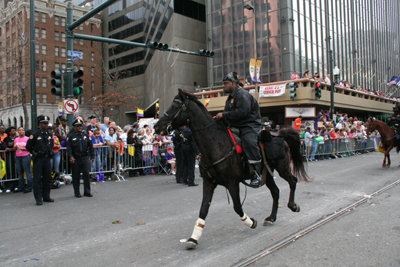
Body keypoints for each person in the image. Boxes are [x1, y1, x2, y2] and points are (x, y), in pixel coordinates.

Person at [213, 71, 262, 186]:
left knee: (249, 142)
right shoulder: (230, 98)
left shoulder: (242, 95)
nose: (223, 86)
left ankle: (256, 174)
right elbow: (229, 114)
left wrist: (224, 115)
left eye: (225, 83)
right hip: (236, 125)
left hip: (249, 125)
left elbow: (242, 112)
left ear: (233, 83)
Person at [26, 116, 55, 205]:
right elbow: (28, 146)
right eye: (44, 123)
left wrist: (50, 151)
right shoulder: (34, 135)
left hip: (47, 158)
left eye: (47, 123)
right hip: (38, 159)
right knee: (37, 179)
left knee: (47, 178)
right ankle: (38, 198)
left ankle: (46, 196)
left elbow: (51, 144)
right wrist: (33, 152)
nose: (46, 125)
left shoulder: (49, 134)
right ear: (40, 124)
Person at [67, 119, 94, 198]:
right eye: (78, 126)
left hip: (85, 157)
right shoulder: (71, 136)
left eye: (80, 126)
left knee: (86, 174)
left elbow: (91, 146)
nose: (80, 127)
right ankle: (77, 192)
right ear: (74, 127)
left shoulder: (85, 135)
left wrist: (92, 156)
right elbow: (69, 148)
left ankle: (87, 191)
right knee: (76, 176)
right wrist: (71, 156)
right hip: (76, 158)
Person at [14, 127, 33, 193]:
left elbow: (30, 148)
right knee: (20, 173)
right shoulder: (16, 139)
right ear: (18, 131)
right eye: (20, 130)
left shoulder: (27, 139)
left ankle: (29, 186)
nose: (21, 131)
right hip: (18, 156)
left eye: (22, 130)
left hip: (25, 156)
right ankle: (20, 187)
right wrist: (15, 146)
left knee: (28, 172)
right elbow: (14, 149)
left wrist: (22, 148)